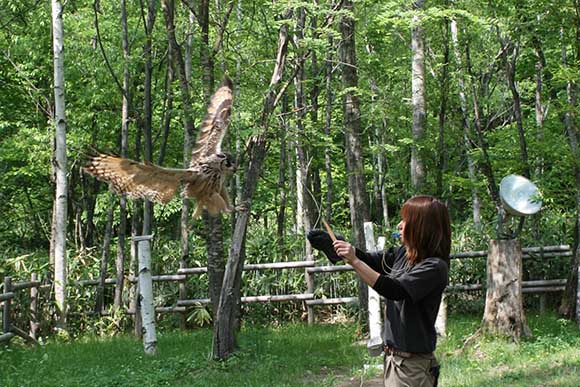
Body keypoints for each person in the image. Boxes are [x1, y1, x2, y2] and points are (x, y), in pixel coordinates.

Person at [308, 195, 451, 387]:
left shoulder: (434, 267)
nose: (400, 225)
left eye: (406, 221)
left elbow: (394, 289)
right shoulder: (404, 254)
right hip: (395, 360)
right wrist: (343, 248)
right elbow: (373, 261)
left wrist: (354, 261)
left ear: (422, 227)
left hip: (412, 366)